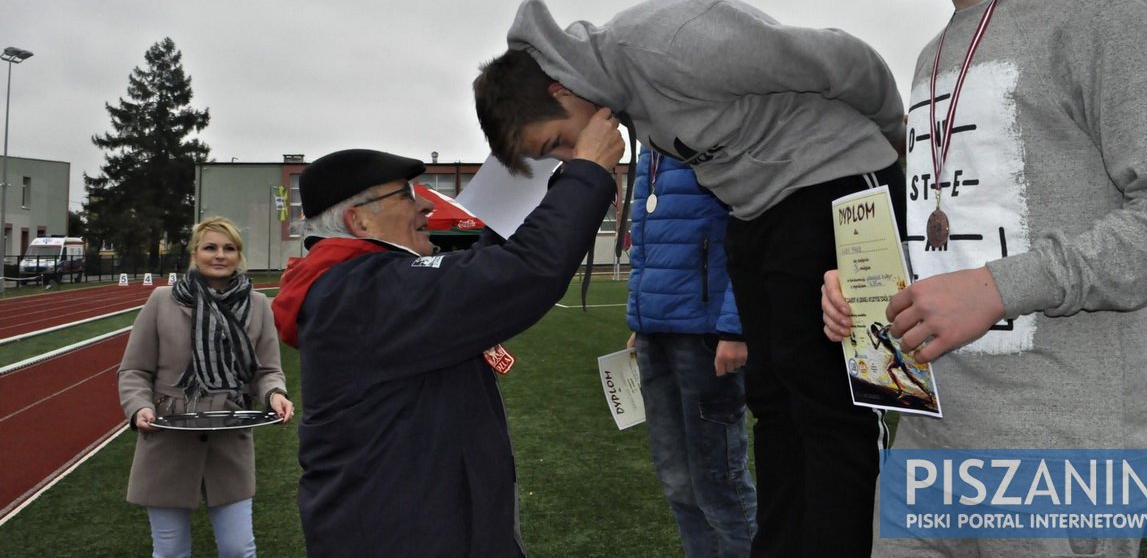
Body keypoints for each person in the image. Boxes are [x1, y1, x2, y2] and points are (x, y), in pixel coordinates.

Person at [823, 0, 1147, 557]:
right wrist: (873, 290)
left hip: (1066, 457)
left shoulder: (1102, 15)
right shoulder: (930, 56)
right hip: (927, 438)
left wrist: (1001, 285)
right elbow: (961, 228)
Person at [475, 0, 906, 556]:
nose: (566, 155)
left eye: (556, 142)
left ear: (561, 89)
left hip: (835, 182)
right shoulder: (620, 98)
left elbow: (845, 60)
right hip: (757, 212)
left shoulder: (670, 44)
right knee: (774, 405)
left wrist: (896, 145)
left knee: (830, 404)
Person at [271, 124, 623, 556]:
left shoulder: (353, 287)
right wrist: (587, 172)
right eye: (404, 196)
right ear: (358, 220)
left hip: (413, 527)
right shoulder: (362, 295)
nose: (423, 207)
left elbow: (477, 271)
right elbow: (520, 274)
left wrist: (526, 167)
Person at [118, 216, 294, 558]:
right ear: (195, 253)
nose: (220, 255)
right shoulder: (162, 301)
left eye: (229, 248)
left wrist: (275, 394)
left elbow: (267, 369)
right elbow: (134, 370)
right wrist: (140, 406)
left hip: (229, 436)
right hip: (168, 435)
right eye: (210, 247)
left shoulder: (258, 305)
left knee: (238, 549)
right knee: (170, 552)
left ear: (239, 255)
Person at [625, 146, 757, 556]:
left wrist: (736, 327)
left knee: (720, 481)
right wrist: (640, 317)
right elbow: (645, 244)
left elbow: (749, 228)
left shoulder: (712, 130)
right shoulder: (648, 151)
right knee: (677, 482)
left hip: (705, 334)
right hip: (655, 333)